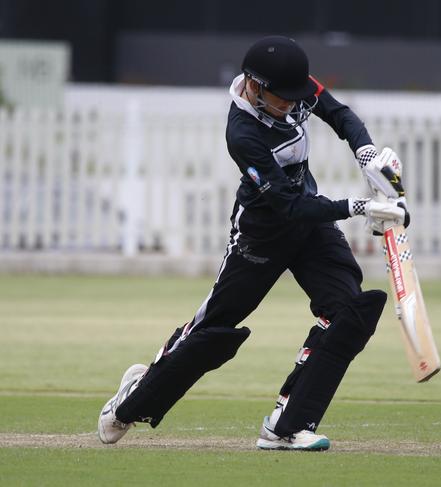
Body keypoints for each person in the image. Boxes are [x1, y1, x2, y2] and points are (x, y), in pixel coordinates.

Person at [97, 35, 408, 451]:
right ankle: (127, 406)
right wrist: (358, 206)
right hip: (262, 234)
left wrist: (367, 156)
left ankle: (287, 426)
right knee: (213, 333)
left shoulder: (290, 85)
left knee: (350, 311)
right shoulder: (242, 133)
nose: (294, 105)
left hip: (310, 226)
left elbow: (339, 114)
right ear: (254, 86)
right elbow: (288, 205)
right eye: (283, 99)